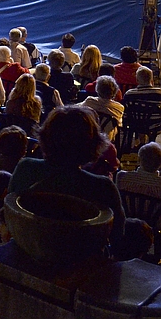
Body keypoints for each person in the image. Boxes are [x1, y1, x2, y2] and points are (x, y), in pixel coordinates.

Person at [8, 105, 125, 251]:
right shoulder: (103, 187)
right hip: (81, 264)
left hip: (27, 253)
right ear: (92, 144)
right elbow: (118, 236)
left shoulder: (26, 169)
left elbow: (10, 215)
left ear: (46, 137)